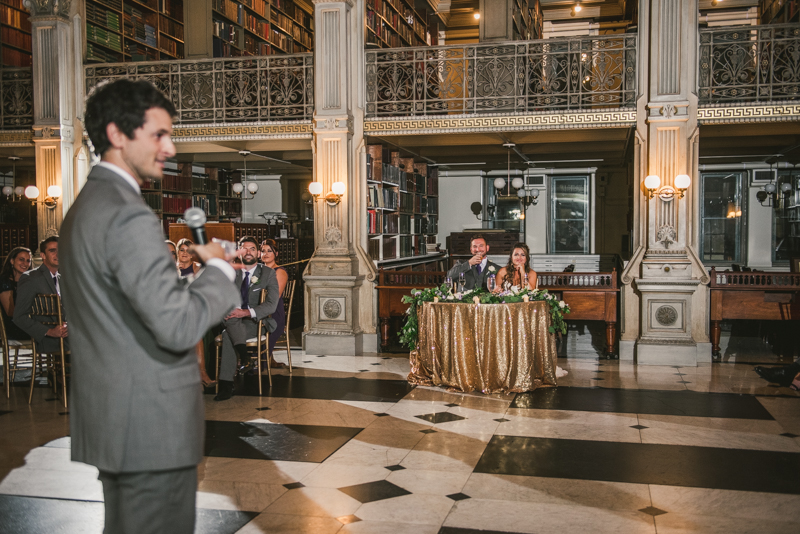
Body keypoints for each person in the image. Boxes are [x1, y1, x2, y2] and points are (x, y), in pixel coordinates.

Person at [60, 78, 240, 534]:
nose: (170, 147)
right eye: (159, 134)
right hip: (148, 428)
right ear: (119, 133)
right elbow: (178, 325)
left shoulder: (87, 205)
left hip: (116, 419)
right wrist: (218, 271)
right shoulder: (127, 213)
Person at [215, 236, 280, 401]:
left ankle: (226, 385)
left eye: (252, 248)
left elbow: (272, 304)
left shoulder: (268, 273)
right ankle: (244, 358)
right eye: (244, 248)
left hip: (255, 322)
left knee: (227, 334)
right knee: (229, 319)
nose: (248, 252)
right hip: (231, 318)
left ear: (258, 253)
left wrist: (245, 313)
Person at [13, 237, 68, 353]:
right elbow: (19, 317)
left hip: (68, 335)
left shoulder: (63, 279)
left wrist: (68, 325)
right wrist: (50, 331)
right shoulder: (30, 278)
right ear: (43, 255)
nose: (58, 254)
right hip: (48, 338)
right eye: (52, 250)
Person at [260, 238, 288, 368]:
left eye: (269, 251)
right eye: (262, 251)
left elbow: (274, 297)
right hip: (259, 309)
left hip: (273, 313)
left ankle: (263, 360)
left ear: (276, 254)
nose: (265, 254)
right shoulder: (257, 271)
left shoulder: (280, 272)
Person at [0, 246, 32, 341]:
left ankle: (61, 355)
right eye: (21, 259)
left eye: (28, 261)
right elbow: (10, 312)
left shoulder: (29, 282)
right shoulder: (4, 281)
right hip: (12, 327)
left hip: (25, 322)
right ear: (12, 261)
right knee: (51, 333)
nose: (25, 263)